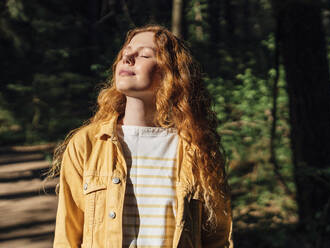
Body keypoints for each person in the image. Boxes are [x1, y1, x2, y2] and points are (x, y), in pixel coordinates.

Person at [48, 24, 233, 248]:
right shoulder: (87, 144)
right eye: (126, 51)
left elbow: (218, 239)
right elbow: (67, 237)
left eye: (144, 54)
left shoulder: (197, 148)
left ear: (171, 74)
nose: (127, 57)